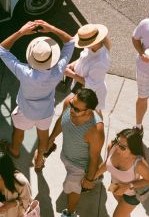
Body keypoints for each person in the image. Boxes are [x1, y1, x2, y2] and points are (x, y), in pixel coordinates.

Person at [0, 20, 74, 171]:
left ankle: (14, 151)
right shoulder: (58, 71)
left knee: (18, 132)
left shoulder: (24, 73)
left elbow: (1, 50)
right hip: (45, 112)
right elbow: (70, 41)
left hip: (25, 111)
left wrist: (21, 32)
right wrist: (51, 28)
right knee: (43, 137)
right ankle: (39, 162)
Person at [46, 88, 105, 217]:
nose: (72, 109)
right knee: (72, 184)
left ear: (89, 111)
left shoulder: (96, 130)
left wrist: (89, 179)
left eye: (77, 109)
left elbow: (94, 158)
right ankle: (97, 177)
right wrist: (51, 139)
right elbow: (62, 121)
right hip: (67, 155)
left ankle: (70, 213)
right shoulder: (68, 103)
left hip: (80, 166)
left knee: (72, 188)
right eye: (73, 104)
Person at [92, 128, 149, 217]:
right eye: (117, 141)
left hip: (131, 196)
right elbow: (106, 164)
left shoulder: (139, 164)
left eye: (122, 147)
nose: (117, 147)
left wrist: (128, 186)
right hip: (115, 187)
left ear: (132, 149)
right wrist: (91, 178)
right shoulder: (112, 146)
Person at [65, 23, 111, 116]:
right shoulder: (92, 47)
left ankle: (98, 129)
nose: (83, 45)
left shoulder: (101, 62)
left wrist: (71, 74)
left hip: (92, 93)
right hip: (80, 87)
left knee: (94, 113)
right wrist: (73, 64)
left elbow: (91, 84)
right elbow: (83, 57)